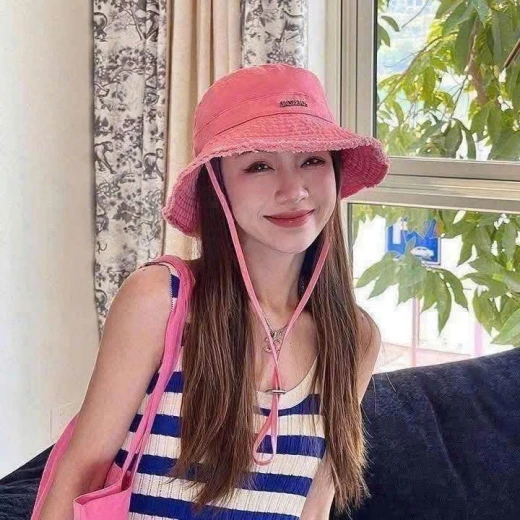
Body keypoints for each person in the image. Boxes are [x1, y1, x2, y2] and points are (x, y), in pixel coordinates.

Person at [38, 63, 389, 520]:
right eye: (259, 165)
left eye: (312, 160)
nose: (294, 190)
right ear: (217, 187)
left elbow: (314, 508)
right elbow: (79, 475)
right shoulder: (160, 300)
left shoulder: (355, 338)